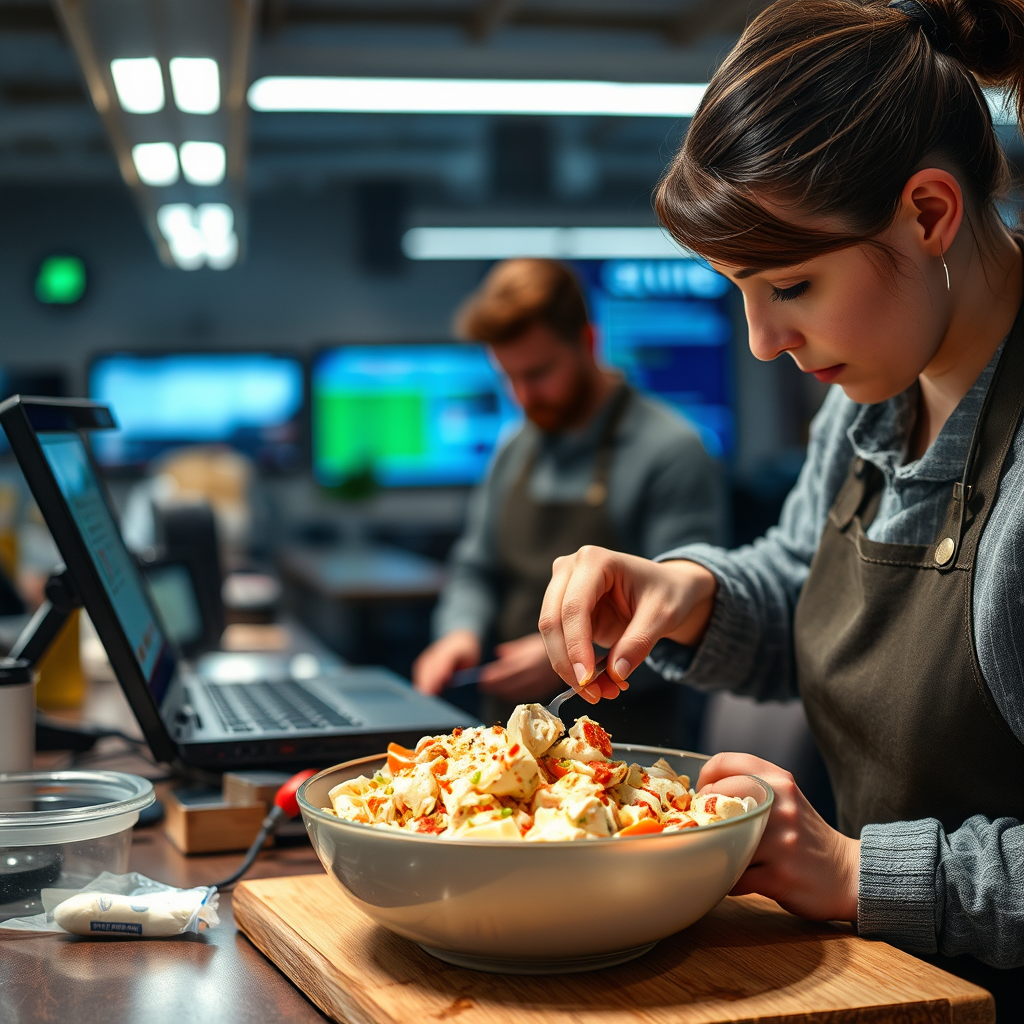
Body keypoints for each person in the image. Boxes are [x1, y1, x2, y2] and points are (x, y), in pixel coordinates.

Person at [535, 0, 1024, 1011]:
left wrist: (855, 872)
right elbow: (804, 589)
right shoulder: (875, 392)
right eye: (740, 292)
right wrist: (689, 590)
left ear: (928, 213)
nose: (763, 341)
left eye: (791, 286)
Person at [413, 258, 723, 745]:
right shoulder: (516, 449)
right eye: (508, 378)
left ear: (588, 343)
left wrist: (574, 659)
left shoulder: (670, 451)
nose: (523, 396)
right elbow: (477, 567)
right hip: (506, 742)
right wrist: (459, 633)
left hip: (623, 748)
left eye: (537, 373)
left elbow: (692, 615)